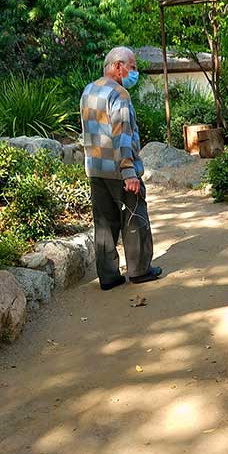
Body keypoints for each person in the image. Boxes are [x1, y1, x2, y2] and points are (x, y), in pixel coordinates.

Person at [80, 46, 162, 290]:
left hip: (95, 170)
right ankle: (139, 270)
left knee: (104, 224)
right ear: (118, 66)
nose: (134, 73)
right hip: (119, 170)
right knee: (135, 217)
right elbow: (121, 134)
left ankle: (108, 277)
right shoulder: (120, 94)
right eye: (132, 67)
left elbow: (88, 131)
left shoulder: (88, 90)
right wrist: (129, 172)